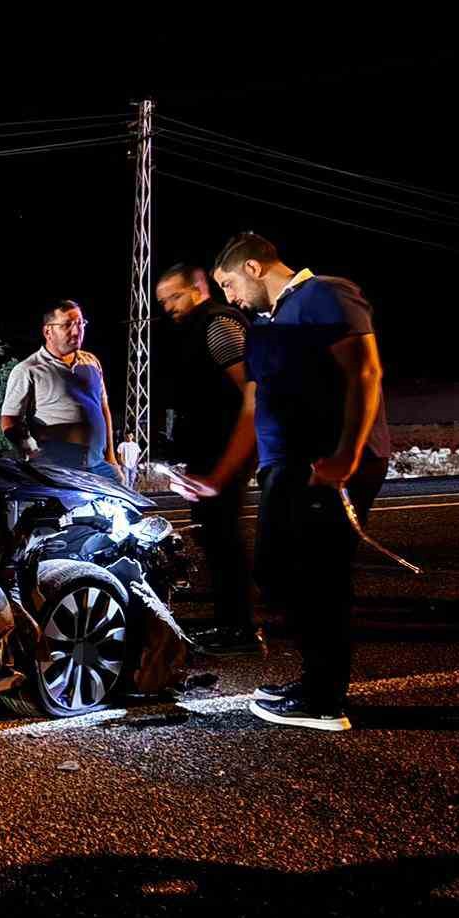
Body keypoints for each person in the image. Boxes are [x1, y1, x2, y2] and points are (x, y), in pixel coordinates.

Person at [210, 233, 391, 731]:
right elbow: (265, 398)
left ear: (252, 266)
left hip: (325, 466)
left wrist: (346, 455)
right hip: (289, 469)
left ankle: (323, 698)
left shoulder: (325, 294)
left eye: (228, 284)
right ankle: (315, 680)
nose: (230, 299)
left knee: (321, 579)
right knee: (278, 571)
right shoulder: (273, 319)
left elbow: (365, 372)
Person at [155, 262, 259, 656]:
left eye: (174, 297)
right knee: (213, 536)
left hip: (225, 449)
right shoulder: (194, 328)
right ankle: (231, 622)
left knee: (224, 537)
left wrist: (223, 468)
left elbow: (251, 391)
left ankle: (241, 629)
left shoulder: (217, 325)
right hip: (208, 449)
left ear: (199, 287)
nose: (168, 307)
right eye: (163, 301)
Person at [1, 301, 124, 482]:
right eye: (67, 325)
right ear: (48, 332)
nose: (76, 331)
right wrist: (31, 452)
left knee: (125, 505)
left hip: (98, 466)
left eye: (80, 324)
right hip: (59, 470)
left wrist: (111, 458)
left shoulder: (91, 362)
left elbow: (103, 408)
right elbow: (9, 420)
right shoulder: (28, 369)